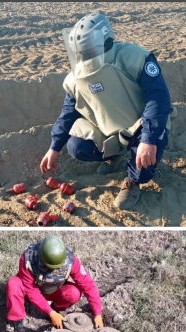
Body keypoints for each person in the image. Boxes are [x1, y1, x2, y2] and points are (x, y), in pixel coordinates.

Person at [40, 13, 172, 209]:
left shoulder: (135, 58)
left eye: (90, 50)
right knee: (77, 146)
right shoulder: (76, 77)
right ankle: (114, 154)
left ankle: (133, 182)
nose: (86, 57)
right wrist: (54, 147)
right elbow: (69, 111)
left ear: (106, 42)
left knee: (145, 162)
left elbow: (158, 98)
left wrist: (148, 140)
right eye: (82, 53)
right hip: (111, 128)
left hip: (142, 125)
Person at [6, 236, 103, 332]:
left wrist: (97, 313)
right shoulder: (28, 258)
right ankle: (18, 326)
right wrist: (50, 312)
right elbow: (30, 290)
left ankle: (56, 310)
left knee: (73, 292)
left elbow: (88, 285)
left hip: (52, 290)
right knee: (13, 285)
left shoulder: (71, 261)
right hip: (28, 291)